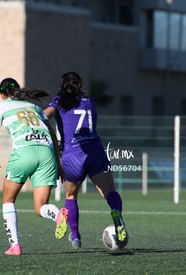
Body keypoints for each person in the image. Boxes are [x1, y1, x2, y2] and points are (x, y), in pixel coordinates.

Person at [44, 71, 128, 249]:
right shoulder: (89, 101)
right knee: (109, 192)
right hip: (95, 151)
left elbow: (44, 116)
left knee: (71, 195)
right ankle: (117, 215)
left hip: (72, 154)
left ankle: (75, 237)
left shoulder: (60, 102)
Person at [0, 77, 68, 256]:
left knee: (8, 200)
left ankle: (15, 245)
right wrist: (58, 162)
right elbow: (52, 135)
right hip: (47, 153)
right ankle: (56, 214)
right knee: (41, 207)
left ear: (2, 94)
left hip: (24, 151)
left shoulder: (1, 107)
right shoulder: (35, 108)